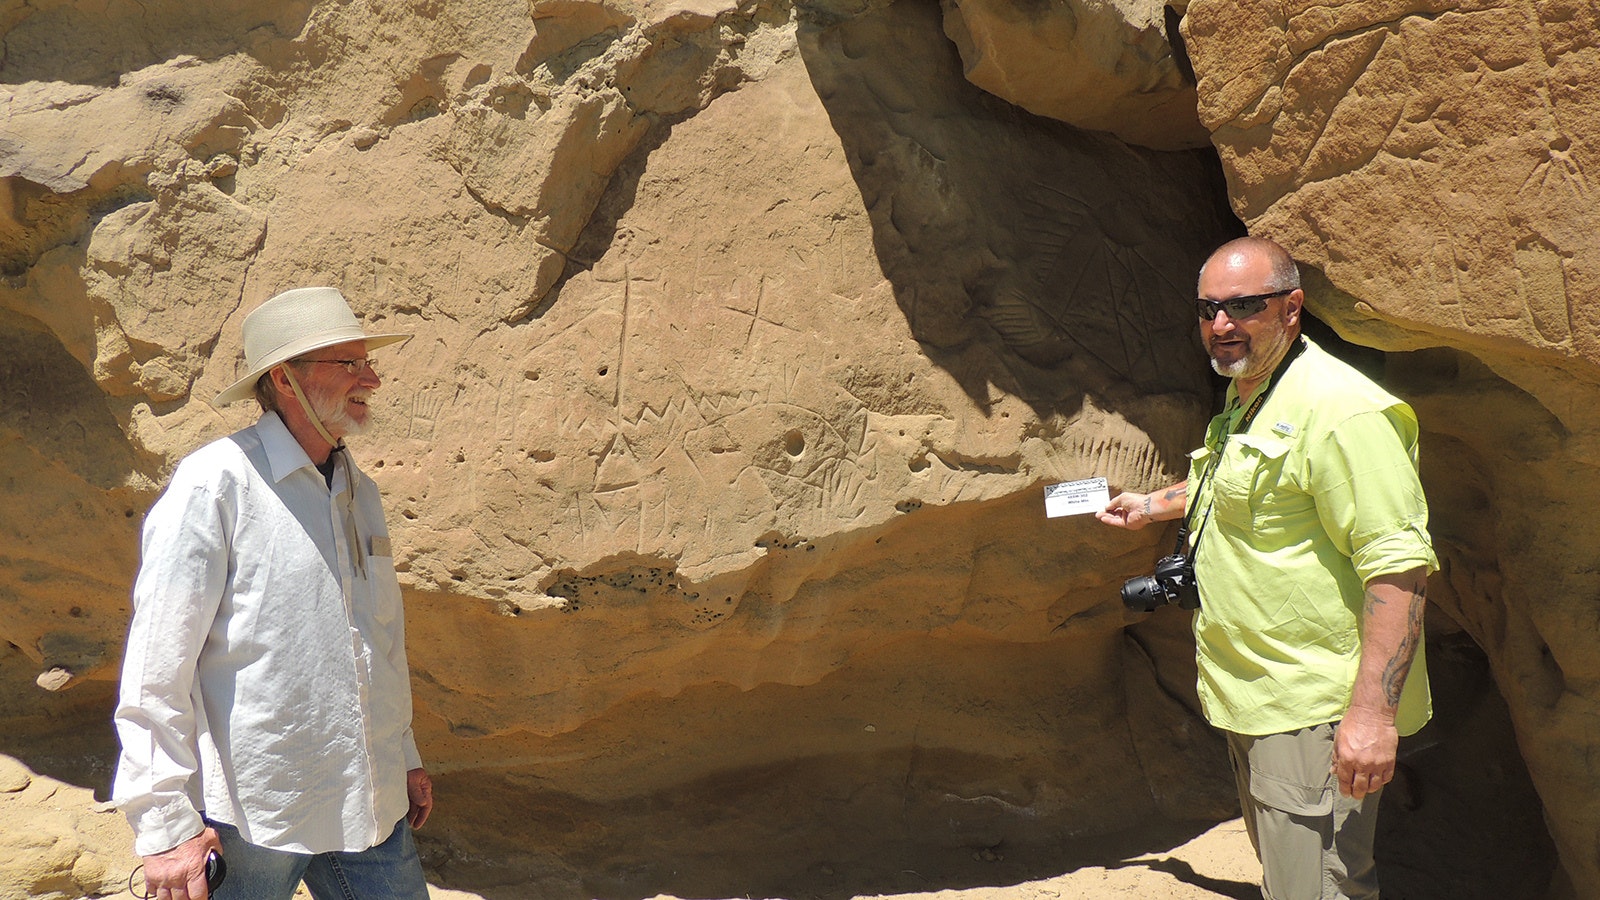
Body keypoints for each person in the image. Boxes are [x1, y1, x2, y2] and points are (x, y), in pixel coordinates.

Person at [1097, 237, 1434, 900]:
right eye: (1208, 309)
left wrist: (1370, 717)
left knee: (1319, 888)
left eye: (1245, 305)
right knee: (1291, 880)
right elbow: (1243, 484)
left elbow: (1400, 568)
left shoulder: (1341, 412)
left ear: (1291, 309)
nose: (1222, 325)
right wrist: (1153, 504)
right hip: (1257, 698)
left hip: (1316, 708)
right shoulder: (1256, 392)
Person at [113, 287, 434, 900]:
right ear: (285, 379)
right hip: (253, 814)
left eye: (368, 362)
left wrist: (402, 752)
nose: (371, 378)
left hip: (370, 801)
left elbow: (380, 639)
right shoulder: (214, 486)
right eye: (349, 363)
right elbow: (156, 669)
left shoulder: (358, 491)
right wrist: (164, 827)